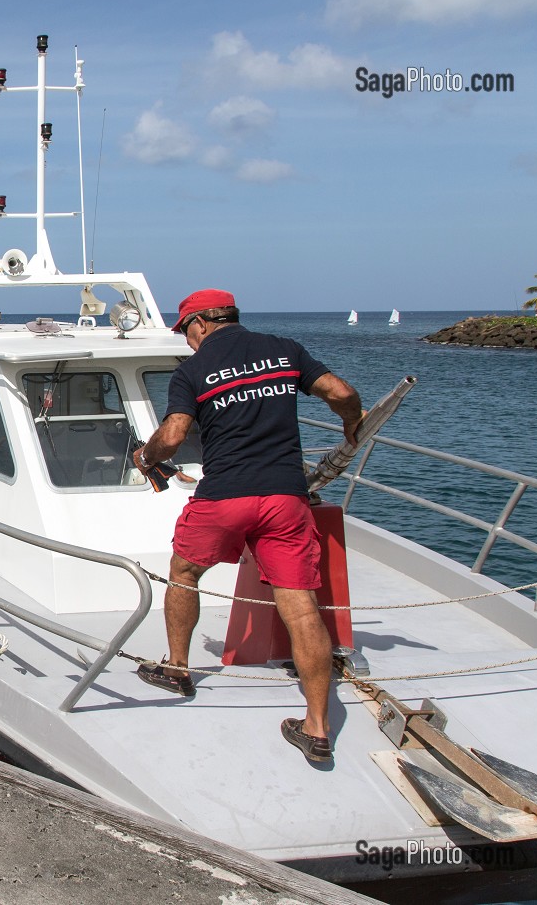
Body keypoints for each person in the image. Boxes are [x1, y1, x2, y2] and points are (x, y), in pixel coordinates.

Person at [131, 289, 362, 763]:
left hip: (226, 497)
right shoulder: (284, 350)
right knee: (301, 606)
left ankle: (178, 668)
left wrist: (146, 457)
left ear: (199, 323)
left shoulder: (192, 370)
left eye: (185, 331)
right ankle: (317, 729)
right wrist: (351, 423)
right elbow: (341, 394)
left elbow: (173, 436)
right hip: (285, 499)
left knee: (185, 573)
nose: (187, 340)